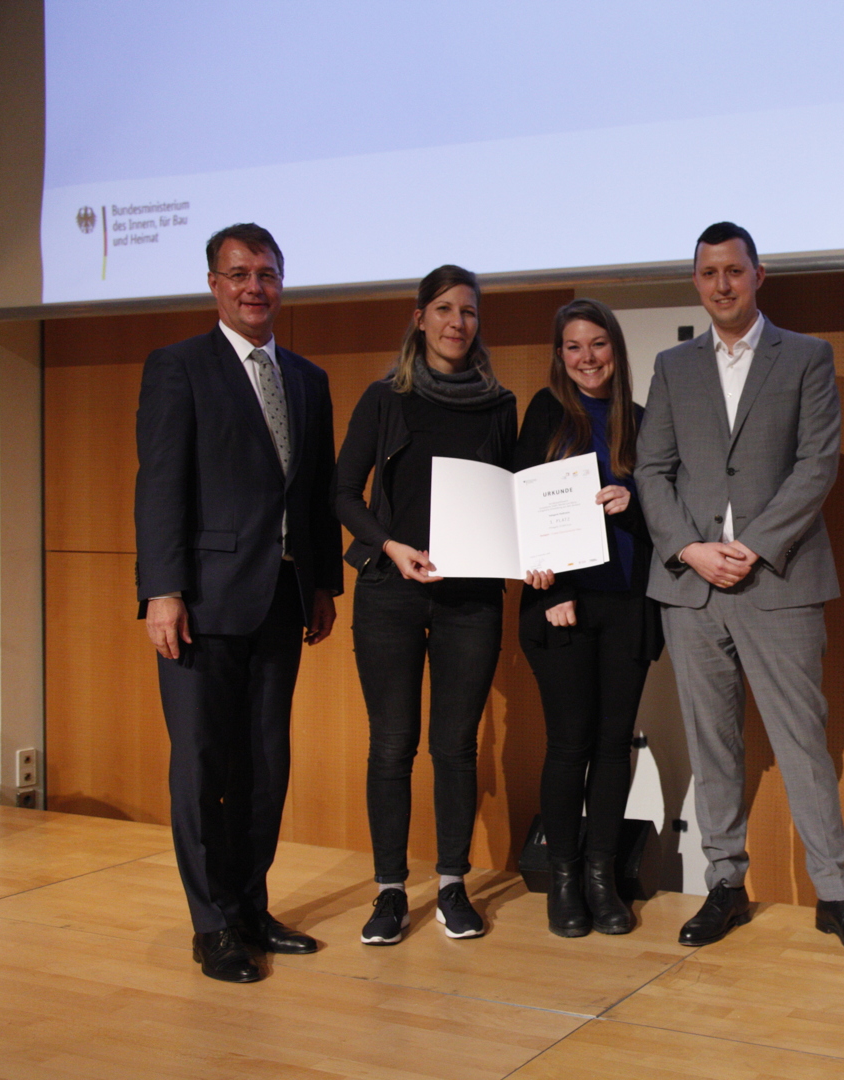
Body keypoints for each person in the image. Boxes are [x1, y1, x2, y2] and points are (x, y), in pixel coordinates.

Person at [634, 221, 844, 955]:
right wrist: (690, 549)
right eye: (708, 272)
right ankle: (725, 885)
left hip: (778, 579)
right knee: (712, 743)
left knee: (804, 742)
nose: (722, 284)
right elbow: (652, 469)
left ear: (758, 275)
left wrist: (749, 548)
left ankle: (835, 895)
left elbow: (817, 465)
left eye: (734, 270)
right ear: (696, 280)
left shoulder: (807, 356)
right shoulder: (673, 365)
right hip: (692, 588)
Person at [135, 223, 342, 983]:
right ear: (214, 285)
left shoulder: (308, 379)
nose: (255, 287)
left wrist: (322, 584)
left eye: (267, 273)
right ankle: (213, 923)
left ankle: (251, 906)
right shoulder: (179, 366)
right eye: (239, 273)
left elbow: (314, 493)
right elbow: (159, 484)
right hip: (201, 602)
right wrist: (162, 590)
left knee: (264, 764)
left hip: (282, 601)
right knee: (202, 766)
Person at [333, 265, 515, 946]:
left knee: (456, 746)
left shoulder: (500, 405)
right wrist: (391, 545)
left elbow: (512, 498)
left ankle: (451, 885)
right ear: (419, 319)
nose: (456, 323)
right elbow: (343, 492)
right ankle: (389, 892)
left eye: (468, 311)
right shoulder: (385, 398)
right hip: (391, 591)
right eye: (443, 309)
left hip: (472, 599)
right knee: (392, 744)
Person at [515, 299, 662, 937]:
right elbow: (523, 505)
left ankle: (602, 875)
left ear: (615, 349)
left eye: (597, 344)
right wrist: (554, 591)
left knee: (612, 745)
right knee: (569, 743)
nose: (587, 358)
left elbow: (667, 510)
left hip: (628, 603)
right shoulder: (546, 412)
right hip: (563, 604)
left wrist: (635, 500)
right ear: (560, 355)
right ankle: (564, 877)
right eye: (573, 346)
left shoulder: (642, 420)